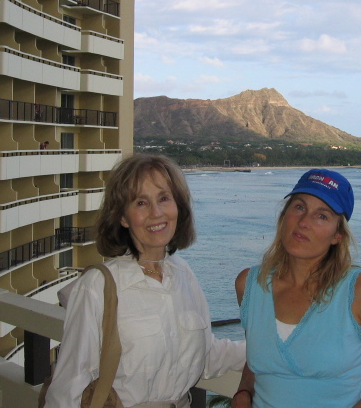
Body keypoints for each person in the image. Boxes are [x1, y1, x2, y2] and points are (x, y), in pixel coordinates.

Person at [44, 154, 245, 407]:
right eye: (141, 202)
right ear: (123, 217)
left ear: (178, 207)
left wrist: (271, 346)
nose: (156, 213)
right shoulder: (98, 286)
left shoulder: (184, 276)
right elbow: (68, 386)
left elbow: (206, 356)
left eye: (164, 198)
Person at [232, 169, 361, 407]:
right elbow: (257, 363)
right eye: (299, 207)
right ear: (284, 216)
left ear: (338, 235)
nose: (304, 222)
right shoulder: (250, 285)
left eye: (322, 216)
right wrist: (243, 393)